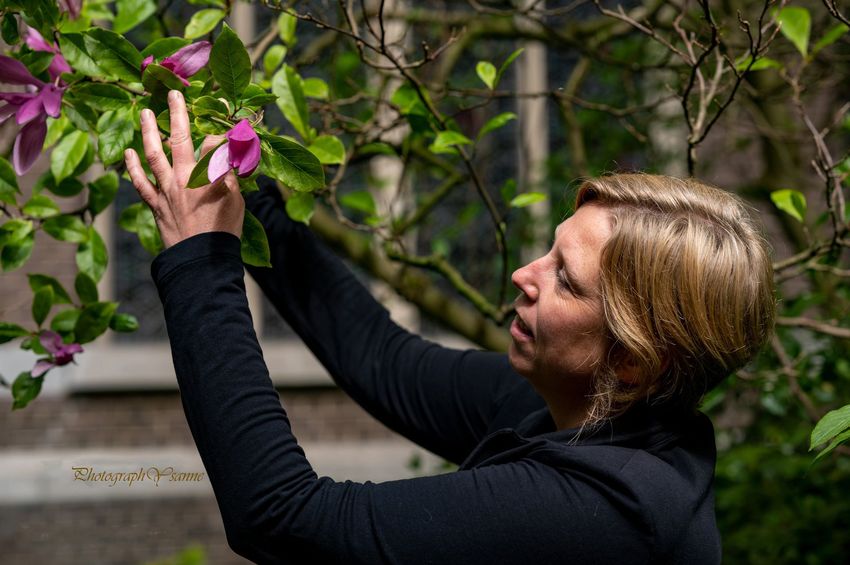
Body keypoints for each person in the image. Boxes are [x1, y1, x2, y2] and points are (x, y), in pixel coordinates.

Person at [124, 90, 775, 564]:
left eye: (565, 280)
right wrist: (249, 180)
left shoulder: (613, 509)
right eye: (549, 251)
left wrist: (198, 261)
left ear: (633, 361)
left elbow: (285, 517)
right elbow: (384, 359)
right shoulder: (581, 411)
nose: (525, 272)